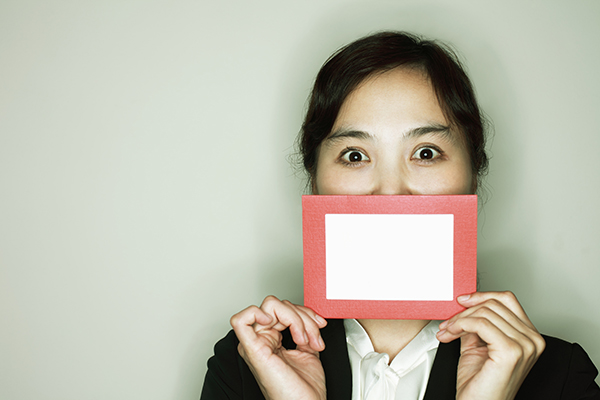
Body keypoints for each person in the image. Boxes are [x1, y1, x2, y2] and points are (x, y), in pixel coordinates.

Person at [200, 31, 599, 400]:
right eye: (355, 156)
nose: (390, 191)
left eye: (425, 153)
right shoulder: (248, 365)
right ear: (315, 181)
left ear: (473, 175)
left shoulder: (559, 376)